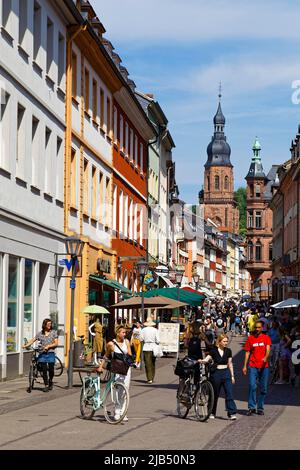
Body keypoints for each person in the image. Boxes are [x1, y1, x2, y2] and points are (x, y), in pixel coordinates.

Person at [97, 325, 132, 422]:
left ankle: (123, 412)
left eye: (125, 333)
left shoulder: (127, 342)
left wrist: (130, 359)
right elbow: (106, 355)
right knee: (118, 391)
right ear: (117, 333)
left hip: (126, 369)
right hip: (116, 369)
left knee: (125, 391)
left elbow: (129, 354)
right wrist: (101, 366)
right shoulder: (111, 344)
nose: (124, 334)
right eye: (123, 332)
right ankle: (117, 411)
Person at [200, 334, 237, 420]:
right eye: (224, 341)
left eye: (226, 341)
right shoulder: (214, 351)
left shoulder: (228, 351)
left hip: (226, 372)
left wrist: (232, 376)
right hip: (216, 373)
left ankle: (231, 413)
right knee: (214, 393)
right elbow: (207, 358)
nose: (226, 343)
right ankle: (212, 412)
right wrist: (202, 361)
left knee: (229, 393)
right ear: (219, 342)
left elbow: (230, 363)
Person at [243, 320, 272, 415]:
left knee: (263, 388)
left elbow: (268, 349)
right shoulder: (250, 338)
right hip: (253, 365)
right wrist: (244, 366)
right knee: (252, 386)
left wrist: (265, 357)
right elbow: (247, 352)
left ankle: (260, 408)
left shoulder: (266, 338)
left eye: (259, 327)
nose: (257, 329)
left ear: (262, 328)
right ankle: (251, 407)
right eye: (256, 327)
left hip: (264, 366)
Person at [23, 318, 58, 392]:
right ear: (44, 325)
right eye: (48, 324)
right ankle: (46, 385)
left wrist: (48, 346)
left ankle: (50, 380)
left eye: (50, 324)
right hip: (42, 353)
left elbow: (56, 343)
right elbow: (33, 340)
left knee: (51, 370)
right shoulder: (40, 333)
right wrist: (26, 345)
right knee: (44, 369)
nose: (49, 325)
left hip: (51, 353)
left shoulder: (54, 332)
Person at [140, 317, 160, 384]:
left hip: (146, 347)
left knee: (147, 364)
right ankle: (152, 377)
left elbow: (141, 339)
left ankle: (149, 378)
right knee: (153, 363)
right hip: (153, 347)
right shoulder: (155, 330)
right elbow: (158, 340)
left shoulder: (143, 330)